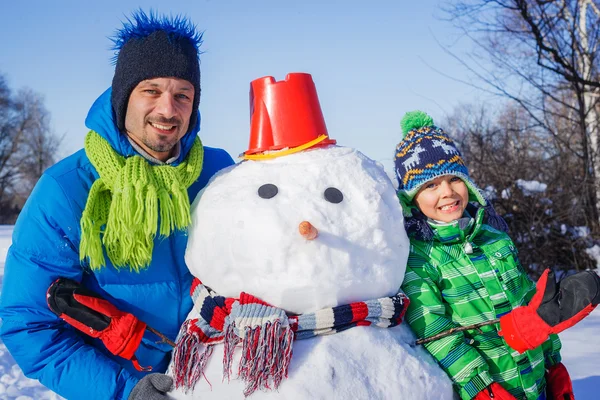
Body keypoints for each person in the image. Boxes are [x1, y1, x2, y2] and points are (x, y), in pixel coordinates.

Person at [0, 10, 234, 400]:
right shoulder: (66, 189)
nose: (167, 109)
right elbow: (29, 325)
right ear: (124, 96)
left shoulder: (220, 173)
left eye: (182, 95)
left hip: (220, 384)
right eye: (151, 91)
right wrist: (126, 392)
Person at [395, 111, 573, 400]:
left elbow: (532, 304)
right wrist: (481, 387)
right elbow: (437, 333)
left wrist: (554, 364)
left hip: (537, 381)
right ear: (411, 197)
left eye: (455, 178)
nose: (447, 192)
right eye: (430, 185)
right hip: (494, 390)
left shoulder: (495, 238)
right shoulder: (420, 259)